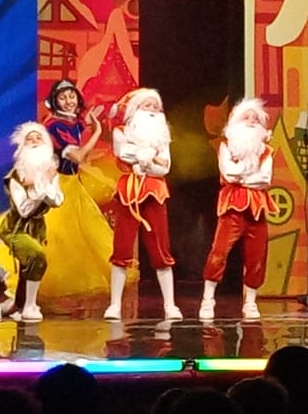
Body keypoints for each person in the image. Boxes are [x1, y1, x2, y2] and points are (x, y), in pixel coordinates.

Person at [39, 79, 130, 310]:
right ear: (55, 101)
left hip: (73, 184)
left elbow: (91, 119)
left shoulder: (73, 121)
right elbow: (78, 156)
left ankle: (70, 297)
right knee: (60, 237)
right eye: (63, 98)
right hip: (58, 186)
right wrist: (97, 130)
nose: (68, 101)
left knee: (82, 236)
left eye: (72, 96)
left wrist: (103, 115)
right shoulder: (54, 126)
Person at [104, 88, 182, 320]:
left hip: (154, 191)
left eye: (156, 107)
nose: (152, 110)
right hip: (129, 190)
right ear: (135, 109)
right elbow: (123, 153)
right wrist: (144, 155)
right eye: (147, 105)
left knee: (160, 247)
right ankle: (115, 304)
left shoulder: (162, 138)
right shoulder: (121, 132)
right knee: (122, 246)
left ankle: (170, 305)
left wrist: (146, 161)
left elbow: (164, 167)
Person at [198, 98, 278, 321]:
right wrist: (248, 170)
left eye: (256, 119)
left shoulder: (266, 150)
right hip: (232, 206)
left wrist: (242, 175)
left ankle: (250, 301)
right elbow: (229, 174)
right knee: (219, 253)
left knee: (257, 256)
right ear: (236, 122)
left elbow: (264, 179)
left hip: (256, 207)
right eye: (246, 117)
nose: (251, 121)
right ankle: (208, 299)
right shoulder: (226, 146)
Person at [0, 122, 64, 322]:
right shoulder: (16, 175)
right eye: (30, 139)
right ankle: (29, 306)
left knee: (28, 265)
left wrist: (42, 181)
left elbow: (57, 200)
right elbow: (24, 210)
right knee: (36, 256)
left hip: (37, 228)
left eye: (38, 138)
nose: (35, 142)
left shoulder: (49, 171)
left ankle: (18, 305)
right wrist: (41, 185)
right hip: (15, 228)